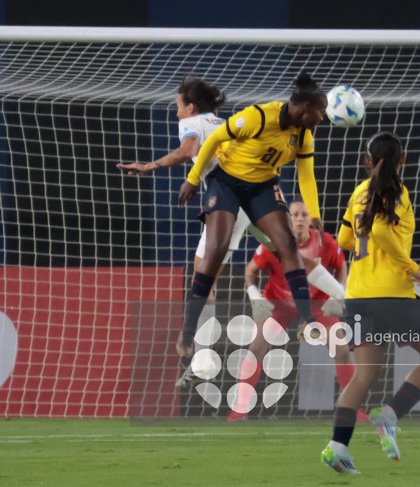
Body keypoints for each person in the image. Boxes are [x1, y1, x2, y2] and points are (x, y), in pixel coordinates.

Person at [320, 133, 420, 475]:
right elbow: (378, 231)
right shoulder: (399, 193)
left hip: (359, 295)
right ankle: (389, 416)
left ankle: (336, 448)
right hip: (392, 294)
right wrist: (412, 267)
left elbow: (346, 238)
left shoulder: (359, 192)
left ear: (367, 162)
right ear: (402, 162)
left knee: (363, 376)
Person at [177, 71, 327, 358]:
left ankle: (307, 319)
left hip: (262, 187)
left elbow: (306, 175)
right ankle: (187, 331)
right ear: (305, 107)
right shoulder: (258, 116)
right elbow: (212, 142)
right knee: (216, 251)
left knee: (287, 245)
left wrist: (315, 214)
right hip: (228, 182)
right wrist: (193, 179)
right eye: (320, 111)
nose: (322, 118)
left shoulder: (305, 134)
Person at [115, 76, 248, 381]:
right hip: (252, 201)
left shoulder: (194, 123)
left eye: (178, 107)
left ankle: (202, 355)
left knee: (203, 277)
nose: (176, 113)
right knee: (293, 254)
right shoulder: (223, 123)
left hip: (228, 204)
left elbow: (189, 150)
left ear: (190, 107)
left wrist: (150, 165)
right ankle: (336, 296)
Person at [227, 198, 364, 421]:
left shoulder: (326, 242)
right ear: (287, 218)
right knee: (255, 348)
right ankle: (240, 409)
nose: (299, 219)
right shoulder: (273, 242)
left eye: (304, 214)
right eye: (294, 215)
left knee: (341, 350)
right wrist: (255, 297)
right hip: (278, 305)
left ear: (310, 219)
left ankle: (354, 410)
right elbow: (250, 272)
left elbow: (341, 267)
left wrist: (337, 294)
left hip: (317, 305)